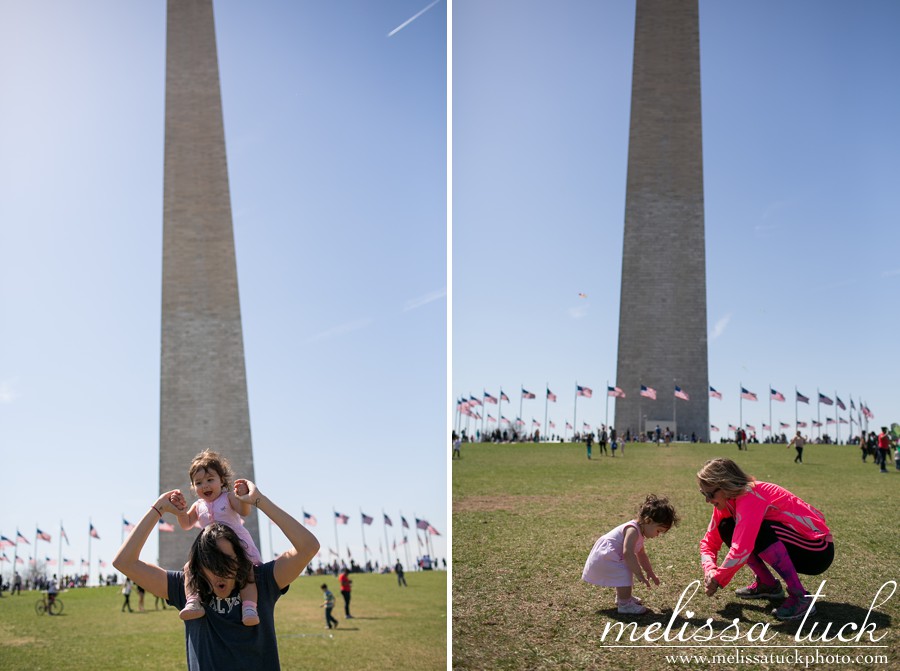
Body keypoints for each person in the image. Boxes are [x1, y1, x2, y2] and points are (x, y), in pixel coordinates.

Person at [112, 479, 319, 671]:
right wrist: (158, 508)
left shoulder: (261, 580)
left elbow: (308, 547)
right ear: (198, 566)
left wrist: (258, 500)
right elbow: (124, 562)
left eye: (227, 561)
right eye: (211, 563)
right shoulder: (186, 586)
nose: (220, 571)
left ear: (241, 559)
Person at [698, 458, 834, 621]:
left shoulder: (750, 495)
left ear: (726, 485)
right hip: (800, 545)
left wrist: (718, 579)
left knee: (759, 531)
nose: (707, 500)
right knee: (726, 526)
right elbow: (708, 543)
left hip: (818, 549)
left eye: (710, 494)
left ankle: (800, 597)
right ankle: (767, 584)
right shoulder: (726, 503)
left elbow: (742, 548)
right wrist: (710, 570)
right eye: (703, 494)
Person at [172, 450, 262, 626]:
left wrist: (242, 497)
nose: (204, 486)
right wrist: (180, 510)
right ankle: (193, 601)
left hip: (236, 547)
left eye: (210, 480)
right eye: (198, 483)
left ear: (222, 480)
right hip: (210, 550)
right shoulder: (198, 506)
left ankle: (249, 607)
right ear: (193, 487)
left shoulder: (228, 497)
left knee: (247, 571)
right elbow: (186, 523)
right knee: (189, 568)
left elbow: (244, 511)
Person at [581, 494, 679, 615]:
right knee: (626, 569)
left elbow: (641, 554)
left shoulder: (640, 532)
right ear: (648, 521)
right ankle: (624, 605)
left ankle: (623, 597)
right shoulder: (632, 530)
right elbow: (628, 553)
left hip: (610, 556)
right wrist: (638, 573)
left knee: (626, 568)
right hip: (605, 557)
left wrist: (649, 572)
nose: (657, 535)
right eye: (658, 530)